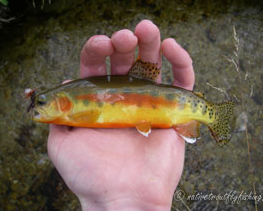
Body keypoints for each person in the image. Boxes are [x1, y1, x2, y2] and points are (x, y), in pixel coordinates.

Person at [47, 20, 195, 211]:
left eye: (42, 103)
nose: (37, 108)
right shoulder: (68, 108)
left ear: (62, 101)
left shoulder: (70, 111)